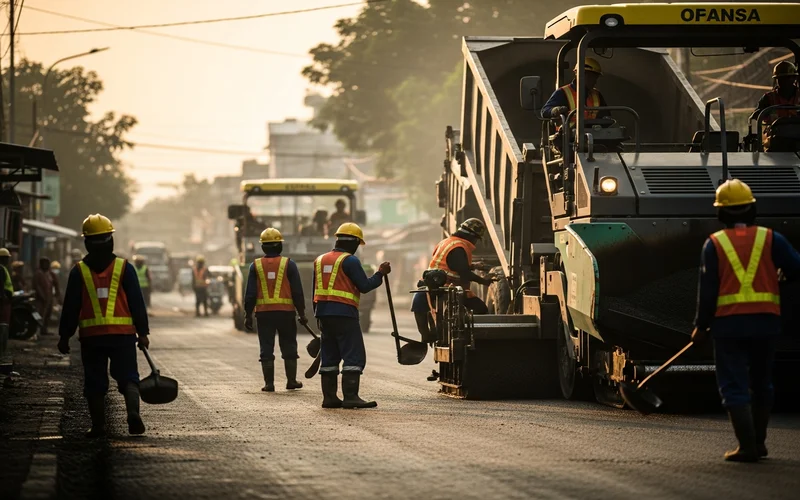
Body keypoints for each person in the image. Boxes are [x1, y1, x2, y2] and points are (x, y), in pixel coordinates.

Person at [692, 179, 800, 462]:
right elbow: (796, 267)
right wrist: (784, 278)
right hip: (766, 324)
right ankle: (760, 443)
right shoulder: (771, 238)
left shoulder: (714, 244)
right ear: (752, 209)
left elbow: (708, 290)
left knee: (734, 383)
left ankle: (747, 445)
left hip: (728, 326)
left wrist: (700, 326)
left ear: (721, 214)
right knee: (762, 382)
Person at [57, 214, 150, 437]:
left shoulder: (78, 271)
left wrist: (64, 336)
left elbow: (70, 307)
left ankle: (99, 426)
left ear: (86, 241)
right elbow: (137, 302)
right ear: (111, 239)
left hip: (92, 338)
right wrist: (143, 332)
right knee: (128, 377)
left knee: (95, 382)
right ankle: (133, 414)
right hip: (123, 336)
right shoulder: (124, 268)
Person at [314, 222, 391, 409]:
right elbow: (365, 286)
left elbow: (314, 290)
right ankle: (350, 397)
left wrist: (317, 315)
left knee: (329, 355)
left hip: (323, 314)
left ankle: (330, 398)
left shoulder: (320, 260)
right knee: (353, 355)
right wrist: (380, 274)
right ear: (355, 242)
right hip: (344, 314)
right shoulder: (350, 261)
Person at [243, 228, 307, 392]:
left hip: (263, 314)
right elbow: (298, 292)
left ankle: (269, 384)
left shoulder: (255, 266)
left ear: (263, 247)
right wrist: (302, 313)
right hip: (286, 313)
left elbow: (250, 294)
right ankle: (291, 381)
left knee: (266, 347)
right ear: (280, 246)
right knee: (289, 346)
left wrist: (248, 315)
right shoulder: (289, 264)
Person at [542, 57, 612, 128]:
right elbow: (545, 111)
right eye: (591, 77)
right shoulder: (563, 92)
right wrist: (555, 110)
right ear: (580, 74)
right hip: (568, 136)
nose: (595, 81)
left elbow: (606, 116)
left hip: (595, 135)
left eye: (596, 77)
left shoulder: (597, 95)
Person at [752, 61, 799, 150]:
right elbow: (756, 115)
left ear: (794, 78)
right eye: (781, 79)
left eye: (788, 78)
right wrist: (764, 114)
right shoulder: (768, 98)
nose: (785, 81)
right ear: (776, 80)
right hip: (775, 139)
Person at [34, 258, 56, 335]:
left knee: (47, 314)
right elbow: (37, 286)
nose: (46, 265)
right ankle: (36, 331)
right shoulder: (38, 273)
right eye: (45, 263)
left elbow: (53, 284)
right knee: (40, 314)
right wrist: (42, 296)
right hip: (41, 299)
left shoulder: (49, 273)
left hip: (49, 297)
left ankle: (44, 330)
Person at [0, 249, 13, 364]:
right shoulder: (1, 269)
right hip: (3, 302)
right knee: (3, 326)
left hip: (6, 301)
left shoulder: (4, 269)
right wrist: (3, 297)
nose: (8, 260)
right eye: (6, 258)